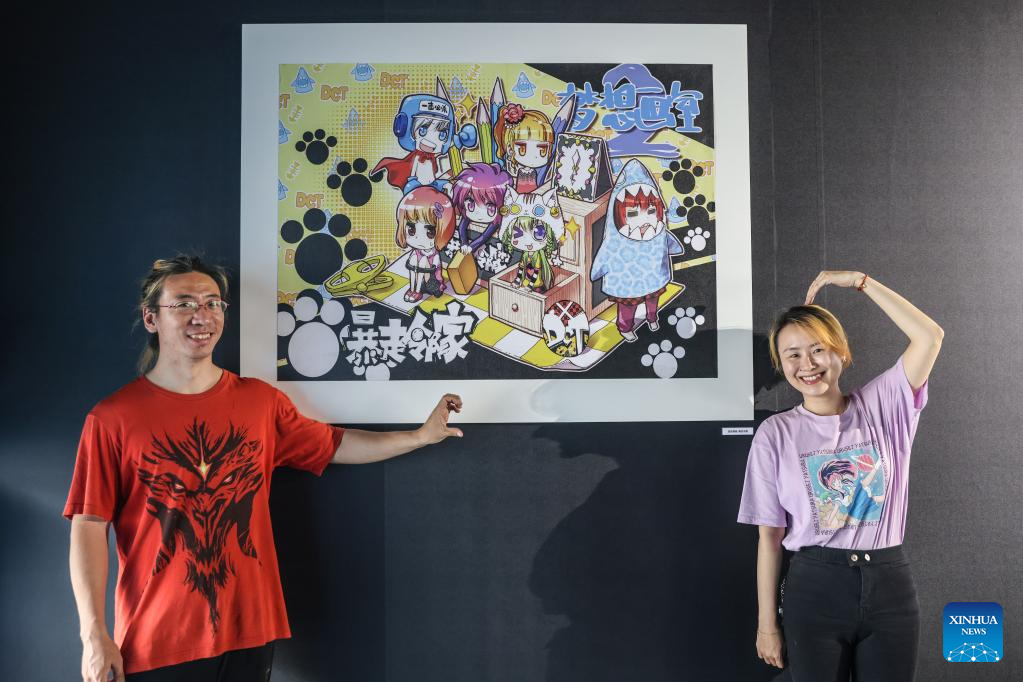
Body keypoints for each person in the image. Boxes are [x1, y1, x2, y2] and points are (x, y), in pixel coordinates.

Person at [65, 256, 464, 682]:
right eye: (184, 304)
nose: (202, 315)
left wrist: (419, 437)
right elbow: (89, 524)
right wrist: (93, 634)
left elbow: (334, 445)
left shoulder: (259, 402)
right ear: (151, 318)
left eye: (213, 303)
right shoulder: (112, 419)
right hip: (159, 638)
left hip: (250, 632)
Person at [737, 270, 943, 681]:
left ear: (840, 353)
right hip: (815, 588)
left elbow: (929, 337)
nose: (807, 365)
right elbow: (769, 538)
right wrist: (767, 624)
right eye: (793, 354)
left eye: (818, 349)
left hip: (889, 587)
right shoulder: (775, 434)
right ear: (781, 365)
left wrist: (861, 282)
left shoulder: (884, 405)